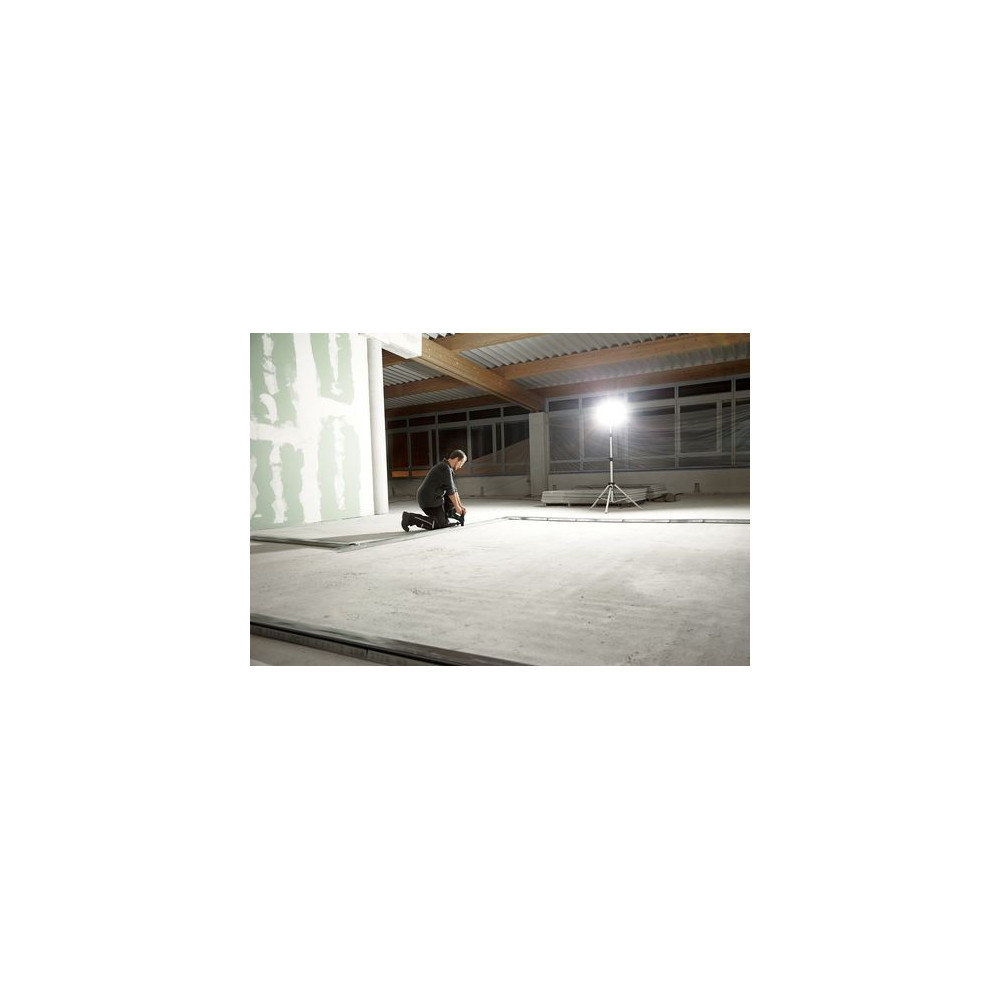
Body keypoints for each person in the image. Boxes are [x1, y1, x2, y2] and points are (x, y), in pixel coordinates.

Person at [402, 450, 468, 531]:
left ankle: (448, 513)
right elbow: (451, 491)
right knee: (438, 524)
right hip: (428, 500)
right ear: (457, 459)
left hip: (434, 498)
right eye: (461, 463)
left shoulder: (447, 467)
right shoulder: (444, 468)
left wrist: (460, 506)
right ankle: (410, 518)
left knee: (444, 521)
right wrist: (457, 507)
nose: (461, 466)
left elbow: (454, 489)